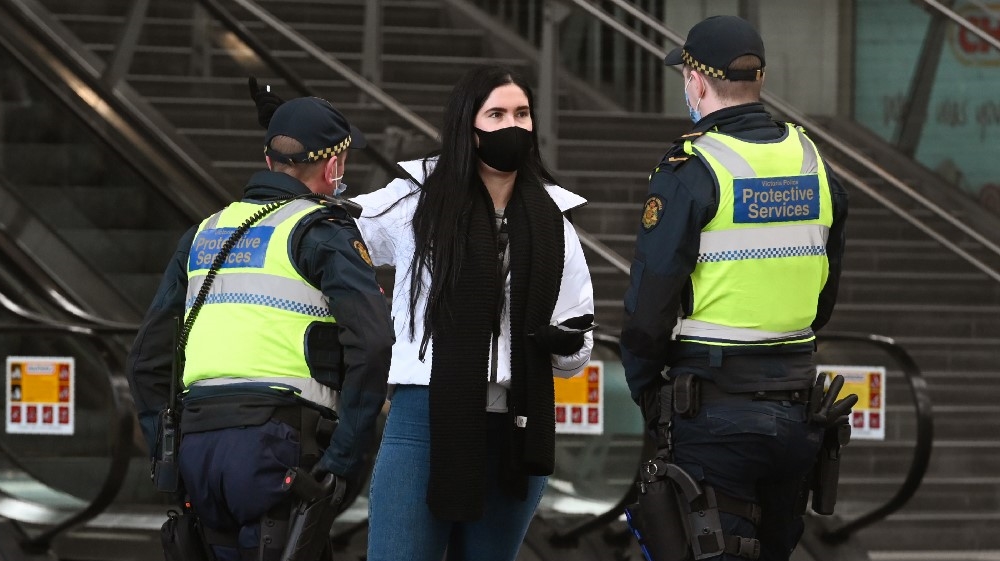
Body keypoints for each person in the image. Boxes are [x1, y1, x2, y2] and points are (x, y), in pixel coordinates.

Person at [253, 64, 596, 560]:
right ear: (467, 126)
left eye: (521, 113)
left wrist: (561, 345)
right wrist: (295, 164)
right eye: (496, 114)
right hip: (422, 416)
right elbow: (334, 230)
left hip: (517, 427)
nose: (512, 126)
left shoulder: (552, 218)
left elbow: (578, 340)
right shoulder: (419, 198)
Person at [620, 15, 850, 561]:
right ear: (759, 80)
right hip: (798, 411)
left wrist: (648, 393)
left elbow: (649, 307)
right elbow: (822, 300)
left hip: (713, 412)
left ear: (696, 82)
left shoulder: (692, 168)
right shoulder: (812, 162)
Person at [126, 95, 394, 561]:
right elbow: (371, 345)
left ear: (268, 160)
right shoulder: (322, 231)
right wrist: (344, 458)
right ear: (333, 167)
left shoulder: (203, 234)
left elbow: (146, 361)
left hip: (199, 450)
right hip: (281, 447)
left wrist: (166, 453)